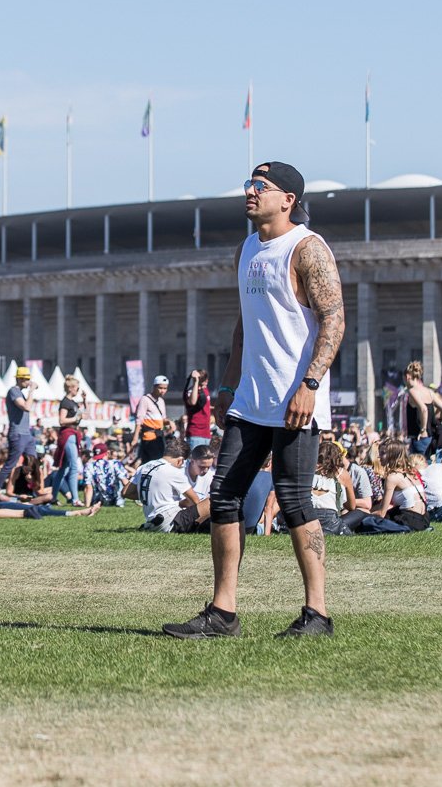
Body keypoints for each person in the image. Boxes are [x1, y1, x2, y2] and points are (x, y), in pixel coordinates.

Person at [165, 161, 345, 640]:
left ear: (287, 199)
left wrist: (310, 385)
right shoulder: (246, 248)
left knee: (293, 502)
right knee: (223, 496)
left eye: (260, 186)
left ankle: (318, 614)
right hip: (251, 398)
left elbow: (334, 320)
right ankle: (223, 612)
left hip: (295, 399)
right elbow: (245, 325)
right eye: (250, 183)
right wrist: (226, 386)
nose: (250, 191)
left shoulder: (307, 248)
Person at [125, 437, 205, 532]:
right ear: (180, 460)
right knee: (211, 501)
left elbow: (126, 492)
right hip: (170, 521)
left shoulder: (144, 466)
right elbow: (195, 501)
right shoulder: (174, 471)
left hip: (152, 521)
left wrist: (150, 496)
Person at [0, 367, 36, 489]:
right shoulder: (14, 391)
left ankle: (34, 491)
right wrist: (32, 391)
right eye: (26, 379)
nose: (28, 382)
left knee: (34, 463)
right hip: (17, 433)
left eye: (29, 379)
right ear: (19, 379)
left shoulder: (21, 393)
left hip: (26, 434)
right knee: (10, 465)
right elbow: (26, 407)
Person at [49, 375, 85, 506]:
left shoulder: (73, 403)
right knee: (73, 467)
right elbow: (62, 420)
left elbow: (80, 415)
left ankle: (53, 497)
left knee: (63, 468)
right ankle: (75, 498)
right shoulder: (65, 402)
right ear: (71, 388)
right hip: (68, 434)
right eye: (76, 387)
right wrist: (75, 419)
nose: (78, 390)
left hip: (73, 434)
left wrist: (84, 401)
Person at [403, 362, 442, 456]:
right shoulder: (429, 391)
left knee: (418, 467)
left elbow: (423, 409)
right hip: (431, 437)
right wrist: (440, 425)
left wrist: (423, 430)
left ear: (407, 377)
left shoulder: (412, 391)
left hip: (419, 437)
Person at [134, 376, 171, 464]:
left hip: (159, 437)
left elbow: (162, 420)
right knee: (151, 462)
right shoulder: (145, 399)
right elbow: (139, 420)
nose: (162, 391)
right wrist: (135, 437)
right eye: (160, 388)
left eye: (165, 388)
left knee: (160, 461)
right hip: (149, 437)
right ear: (154, 387)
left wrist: (169, 422)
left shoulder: (161, 401)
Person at [81, 441, 129, 507]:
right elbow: (125, 481)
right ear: (107, 453)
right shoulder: (115, 464)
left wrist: (87, 506)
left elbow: (88, 487)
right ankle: (119, 502)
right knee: (121, 478)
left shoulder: (89, 466)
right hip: (115, 500)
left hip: (97, 501)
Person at [183, 369, 213, 450]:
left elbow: (204, 407)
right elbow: (192, 402)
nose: (206, 382)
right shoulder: (191, 391)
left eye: (207, 379)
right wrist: (196, 382)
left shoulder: (205, 390)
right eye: (203, 380)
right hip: (195, 433)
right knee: (195, 461)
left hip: (206, 433)